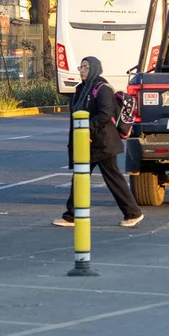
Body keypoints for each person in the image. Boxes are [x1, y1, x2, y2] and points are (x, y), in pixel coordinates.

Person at [53, 56, 144, 228]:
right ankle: (72, 215)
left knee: (113, 179)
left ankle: (133, 212)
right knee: (80, 177)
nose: (81, 70)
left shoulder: (102, 89)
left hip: (103, 143)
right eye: (81, 67)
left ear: (95, 68)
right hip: (87, 142)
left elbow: (105, 113)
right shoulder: (81, 89)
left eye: (86, 67)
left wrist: (86, 129)